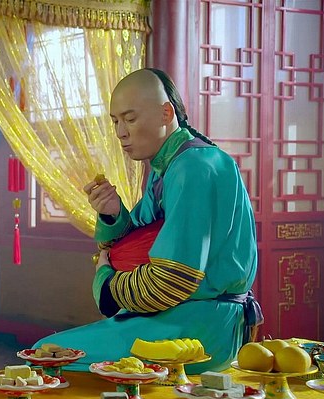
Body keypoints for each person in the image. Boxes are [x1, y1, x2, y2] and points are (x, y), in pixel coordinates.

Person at [33, 68, 262, 374]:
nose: (121, 132)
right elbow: (137, 239)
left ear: (166, 113)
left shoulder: (193, 168)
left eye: (129, 119)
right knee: (48, 352)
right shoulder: (168, 165)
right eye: (115, 121)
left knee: (48, 355)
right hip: (177, 314)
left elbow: (172, 280)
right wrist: (113, 213)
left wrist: (107, 285)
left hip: (202, 327)